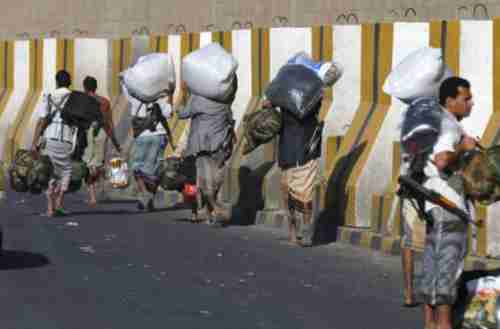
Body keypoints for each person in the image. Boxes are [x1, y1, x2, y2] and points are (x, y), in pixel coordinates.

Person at [419, 77, 476, 329]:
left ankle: (432, 324)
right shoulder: (448, 126)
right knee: (446, 272)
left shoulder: (440, 121)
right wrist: (463, 149)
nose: (470, 103)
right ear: (450, 101)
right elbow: (443, 161)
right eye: (466, 99)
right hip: (448, 207)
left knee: (434, 269)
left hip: (436, 206)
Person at [262, 96, 323, 247]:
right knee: (304, 192)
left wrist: (274, 104)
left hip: (290, 150)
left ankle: (294, 234)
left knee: (289, 192)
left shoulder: (285, 94)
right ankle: (305, 229)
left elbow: (266, 105)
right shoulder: (313, 92)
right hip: (306, 150)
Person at [176, 78, 237, 226]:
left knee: (204, 181)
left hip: (202, 145)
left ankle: (216, 209)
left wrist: (183, 94)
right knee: (215, 180)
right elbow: (230, 119)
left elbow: (182, 114)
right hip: (221, 146)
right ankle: (211, 213)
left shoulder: (196, 100)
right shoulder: (224, 102)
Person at [31, 70, 75, 217]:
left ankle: (50, 208)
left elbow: (42, 120)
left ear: (56, 82)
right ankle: (59, 203)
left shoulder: (49, 96)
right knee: (66, 171)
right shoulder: (74, 98)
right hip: (68, 140)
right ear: (69, 82)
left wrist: (34, 142)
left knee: (50, 172)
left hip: (50, 138)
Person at [124, 84, 174, 212]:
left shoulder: (136, 97)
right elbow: (169, 113)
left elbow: (126, 88)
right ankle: (149, 199)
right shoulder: (161, 98)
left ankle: (144, 194)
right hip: (160, 135)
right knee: (155, 170)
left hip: (142, 135)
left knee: (138, 168)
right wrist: (171, 95)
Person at [82, 76, 121, 206]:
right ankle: (101, 175)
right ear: (96, 87)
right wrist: (115, 142)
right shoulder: (104, 102)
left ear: (84, 87)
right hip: (102, 133)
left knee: (88, 165)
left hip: (88, 133)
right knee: (98, 163)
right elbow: (109, 122)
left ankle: (93, 197)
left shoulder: (83, 100)